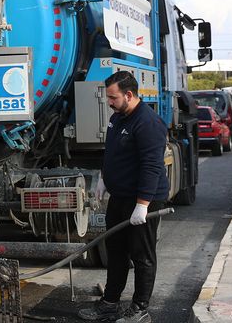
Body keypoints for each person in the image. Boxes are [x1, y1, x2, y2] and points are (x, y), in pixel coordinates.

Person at [78, 71, 168, 323]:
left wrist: (142, 205)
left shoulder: (148, 123)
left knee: (142, 255)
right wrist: (104, 178)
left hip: (141, 200)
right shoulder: (118, 118)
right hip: (119, 196)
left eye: (113, 97)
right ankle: (110, 304)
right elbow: (113, 151)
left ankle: (140, 309)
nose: (109, 102)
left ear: (129, 95)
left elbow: (151, 166)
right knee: (115, 252)